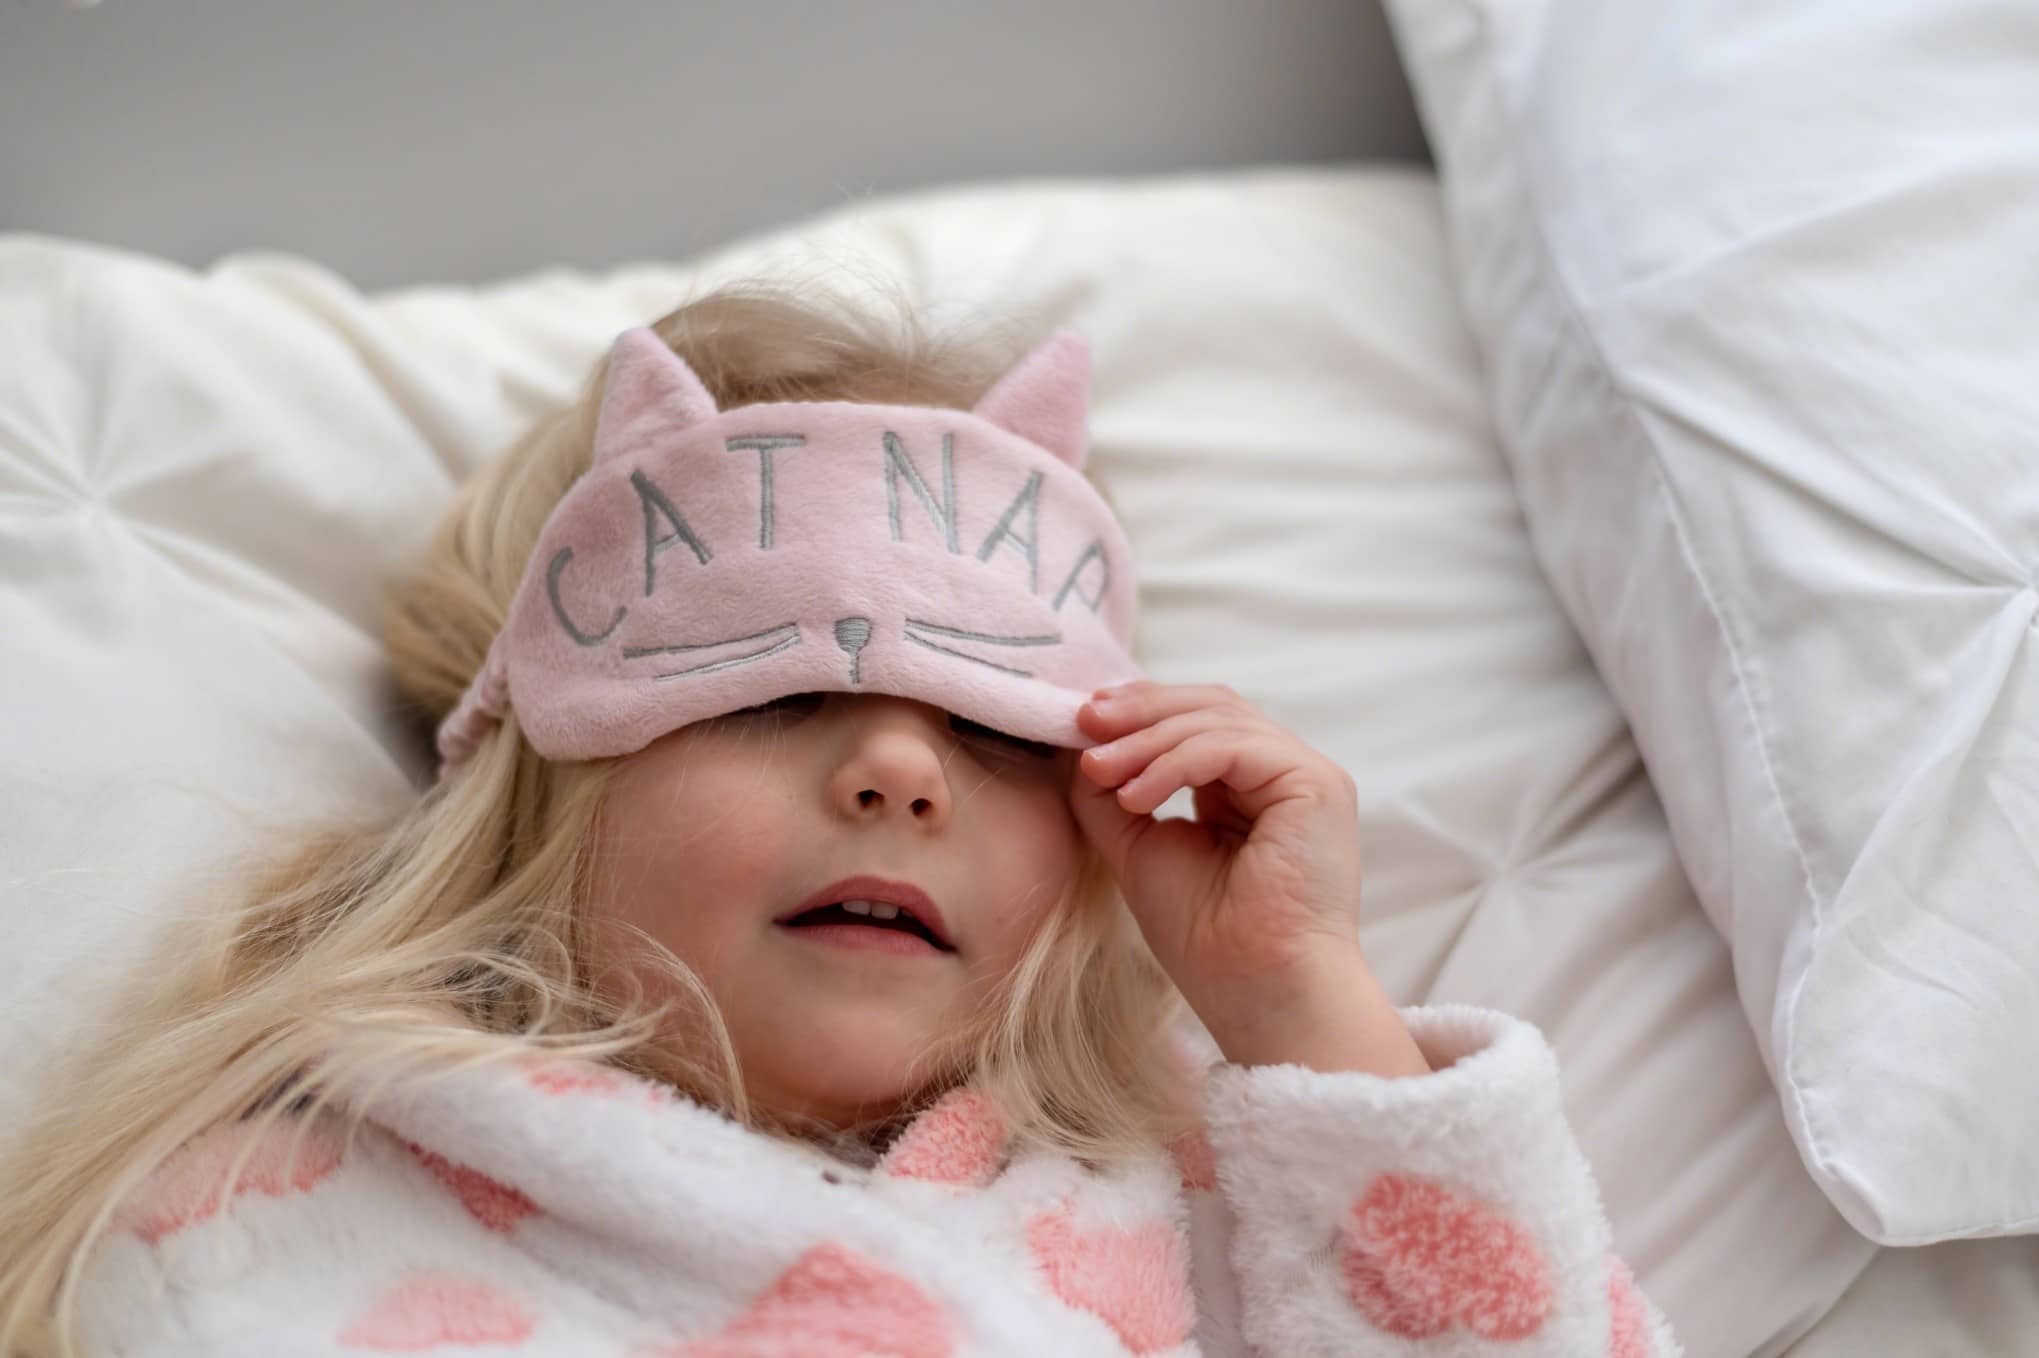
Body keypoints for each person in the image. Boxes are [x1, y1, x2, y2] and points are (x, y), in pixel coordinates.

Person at [0, 278, 1680, 1356]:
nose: (902, 769)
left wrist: (1303, 1001)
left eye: (998, 727)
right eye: (769, 691)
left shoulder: (1211, 1198)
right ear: (540, 779)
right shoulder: (265, 1218)